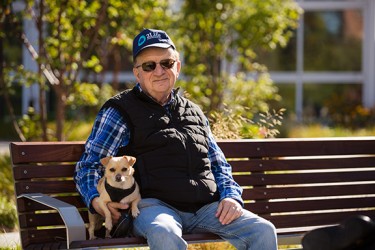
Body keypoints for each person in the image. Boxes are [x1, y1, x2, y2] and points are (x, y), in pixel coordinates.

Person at [74, 28, 277, 250]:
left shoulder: (195, 112)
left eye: (167, 63)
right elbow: (90, 164)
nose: (159, 71)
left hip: (207, 208)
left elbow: (219, 164)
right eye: (149, 65)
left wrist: (230, 197)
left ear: (177, 67)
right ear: (137, 73)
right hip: (154, 207)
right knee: (164, 232)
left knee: (263, 231)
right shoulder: (120, 111)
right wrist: (95, 200)